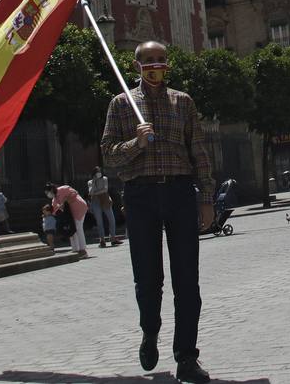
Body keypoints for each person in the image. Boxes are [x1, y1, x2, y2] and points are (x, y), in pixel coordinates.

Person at [100, 40, 215, 384]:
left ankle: (187, 358)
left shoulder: (183, 102)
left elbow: (199, 151)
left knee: (187, 281)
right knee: (148, 279)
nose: (155, 65)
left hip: (179, 192)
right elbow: (108, 154)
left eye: (161, 60)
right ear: (136, 66)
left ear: (168, 65)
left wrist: (207, 197)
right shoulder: (121, 105)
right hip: (140, 196)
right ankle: (150, 331)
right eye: (148, 60)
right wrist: (136, 143)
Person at [46, 182, 89, 257]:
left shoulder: (63, 189)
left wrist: (66, 200)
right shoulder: (54, 200)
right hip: (72, 214)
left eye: (48, 192)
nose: (48, 194)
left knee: (78, 229)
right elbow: (55, 211)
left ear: (52, 189)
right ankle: (76, 249)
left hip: (79, 208)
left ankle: (83, 250)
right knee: (73, 230)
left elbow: (75, 193)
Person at [88, 166, 120, 248]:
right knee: (99, 221)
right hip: (95, 201)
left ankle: (113, 237)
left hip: (105, 199)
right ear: (94, 174)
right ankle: (102, 240)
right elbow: (91, 192)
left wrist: (96, 192)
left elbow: (105, 189)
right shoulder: (90, 182)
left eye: (100, 171)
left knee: (111, 219)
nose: (99, 173)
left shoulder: (105, 179)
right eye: (97, 172)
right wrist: (94, 182)